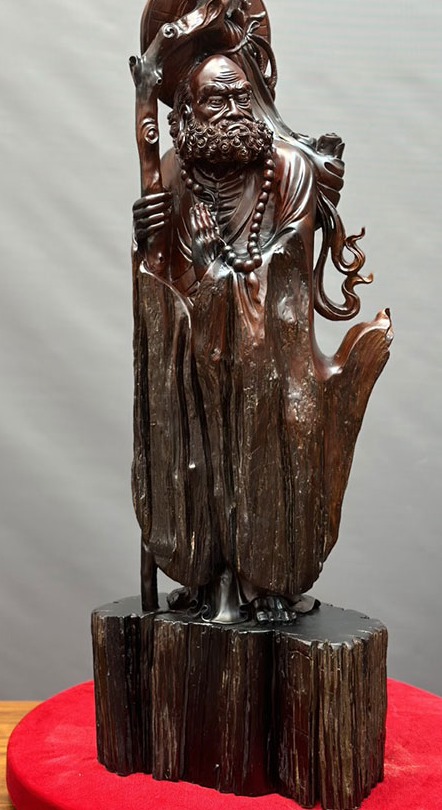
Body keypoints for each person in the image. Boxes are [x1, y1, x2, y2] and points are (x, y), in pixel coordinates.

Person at [131, 53, 391, 623]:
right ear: (186, 112)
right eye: (215, 99)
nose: (231, 110)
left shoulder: (288, 169)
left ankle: (267, 580)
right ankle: (208, 577)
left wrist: (215, 266)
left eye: (240, 97)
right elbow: (162, 278)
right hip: (195, 363)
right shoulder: (173, 172)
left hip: (269, 362)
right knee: (196, 462)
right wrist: (147, 241)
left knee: (265, 459)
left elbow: (286, 267)